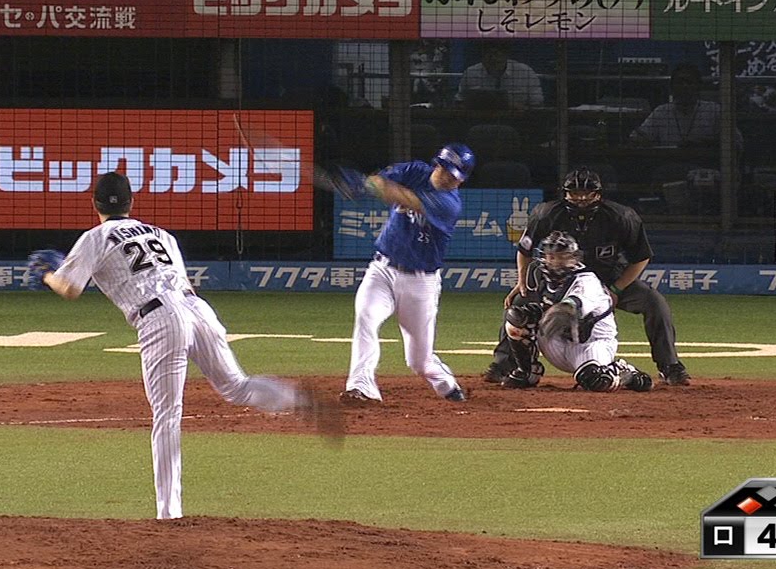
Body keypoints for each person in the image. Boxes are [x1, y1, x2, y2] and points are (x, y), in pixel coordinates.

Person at [28, 172, 342, 520]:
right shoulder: (161, 234)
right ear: (132, 202)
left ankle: (169, 515)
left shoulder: (96, 236)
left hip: (160, 318)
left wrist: (46, 274)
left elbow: (70, 288)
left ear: (94, 204)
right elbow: (180, 280)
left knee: (167, 415)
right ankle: (298, 398)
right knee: (237, 386)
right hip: (197, 308)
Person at [484, 167, 691, 387]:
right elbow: (524, 250)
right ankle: (504, 365)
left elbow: (641, 257)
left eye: (587, 193)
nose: (581, 198)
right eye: (575, 193)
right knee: (518, 304)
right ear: (565, 194)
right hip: (560, 280)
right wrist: (522, 282)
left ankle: (670, 366)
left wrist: (617, 289)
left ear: (598, 194)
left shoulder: (621, 217)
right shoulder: (546, 214)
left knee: (654, 302)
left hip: (609, 276)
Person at [339, 144, 476, 404]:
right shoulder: (414, 171)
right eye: (446, 171)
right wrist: (366, 183)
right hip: (382, 270)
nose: (450, 179)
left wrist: (367, 185)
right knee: (366, 318)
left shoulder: (449, 204)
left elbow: (405, 198)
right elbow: (379, 181)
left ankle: (445, 383)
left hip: (420, 282)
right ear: (437, 164)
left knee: (419, 362)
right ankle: (361, 386)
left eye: (456, 177)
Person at [495, 230, 654, 394]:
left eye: (563, 257)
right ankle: (527, 371)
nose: (556, 262)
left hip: (592, 342)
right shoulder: (540, 276)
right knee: (517, 319)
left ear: (575, 259)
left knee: (597, 380)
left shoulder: (586, 281)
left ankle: (624, 372)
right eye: (551, 257)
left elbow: (570, 308)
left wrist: (548, 315)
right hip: (560, 339)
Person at [630, 63, 742, 149]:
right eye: (680, 82)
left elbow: (737, 142)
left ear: (698, 86)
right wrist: (641, 141)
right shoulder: (661, 111)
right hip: (669, 164)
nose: (685, 86)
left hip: (705, 165)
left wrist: (706, 143)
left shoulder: (714, 110)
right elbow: (637, 137)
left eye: (689, 82)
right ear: (671, 87)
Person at [456, 43, 544, 109]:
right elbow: (459, 101)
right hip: (478, 119)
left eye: (496, 55)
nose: (493, 59)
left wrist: (518, 107)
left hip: (518, 120)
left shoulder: (525, 72)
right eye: (489, 56)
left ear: (506, 55)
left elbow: (537, 104)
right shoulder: (471, 73)